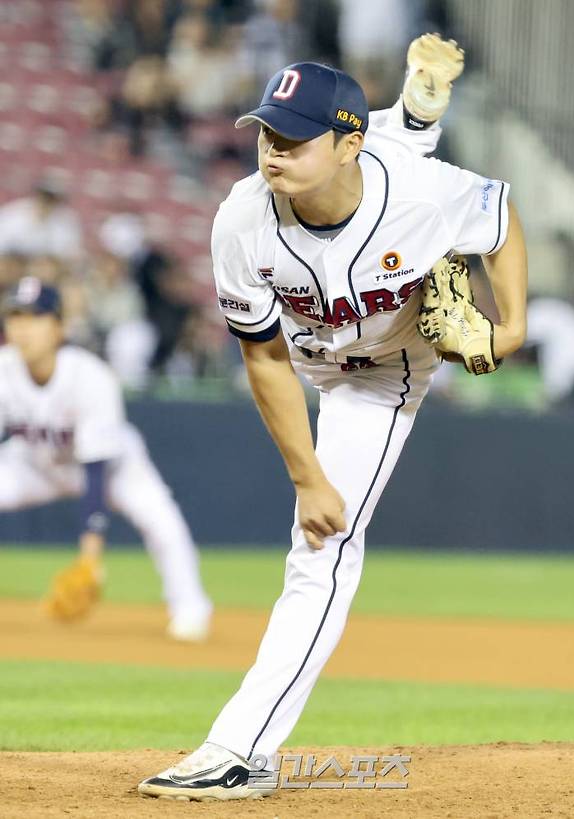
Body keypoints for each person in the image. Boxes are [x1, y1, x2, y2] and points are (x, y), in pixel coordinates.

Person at [139, 34, 527, 800]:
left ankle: (241, 750)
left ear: (344, 142)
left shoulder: (418, 194)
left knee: (321, 552)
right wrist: (306, 475)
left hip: (386, 372)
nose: (271, 151)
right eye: (265, 133)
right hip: (311, 350)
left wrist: (510, 327)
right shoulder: (241, 218)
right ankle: (413, 109)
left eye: (291, 137)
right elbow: (263, 357)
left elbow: (500, 215)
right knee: (320, 510)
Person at [0, 277, 213, 641]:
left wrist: (90, 561)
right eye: (15, 317)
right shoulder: (4, 367)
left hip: (115, 470)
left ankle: (190, 607)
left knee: (162, 521)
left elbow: (94, 472)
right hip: (34, 464)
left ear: (59, 327)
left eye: (35, 318)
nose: (23, 328)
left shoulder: (90, 377)